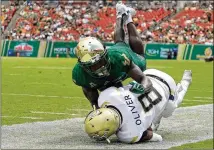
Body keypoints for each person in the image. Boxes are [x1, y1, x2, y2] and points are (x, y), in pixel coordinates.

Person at [72, 1, 152, 108]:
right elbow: (93, 100)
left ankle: (126, 17)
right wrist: (96, 109)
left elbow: (144, 79)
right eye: (93, 65)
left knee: (139, 57)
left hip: (121, 58)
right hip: (111, 76)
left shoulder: (119, 57)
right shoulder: (79, 75)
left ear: (106, 54)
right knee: (119, 41)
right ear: (83, 66)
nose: (100, 67)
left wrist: (141, 89)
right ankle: (121, 14)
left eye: (101, 61)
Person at [84, 69, 192, 143]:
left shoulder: (128, 135)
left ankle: (185, 83)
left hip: (168, 87)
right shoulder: (106, 95)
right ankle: (156, 118)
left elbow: (156, 137)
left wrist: (144, 125)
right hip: (148, 74)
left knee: (170, 109)